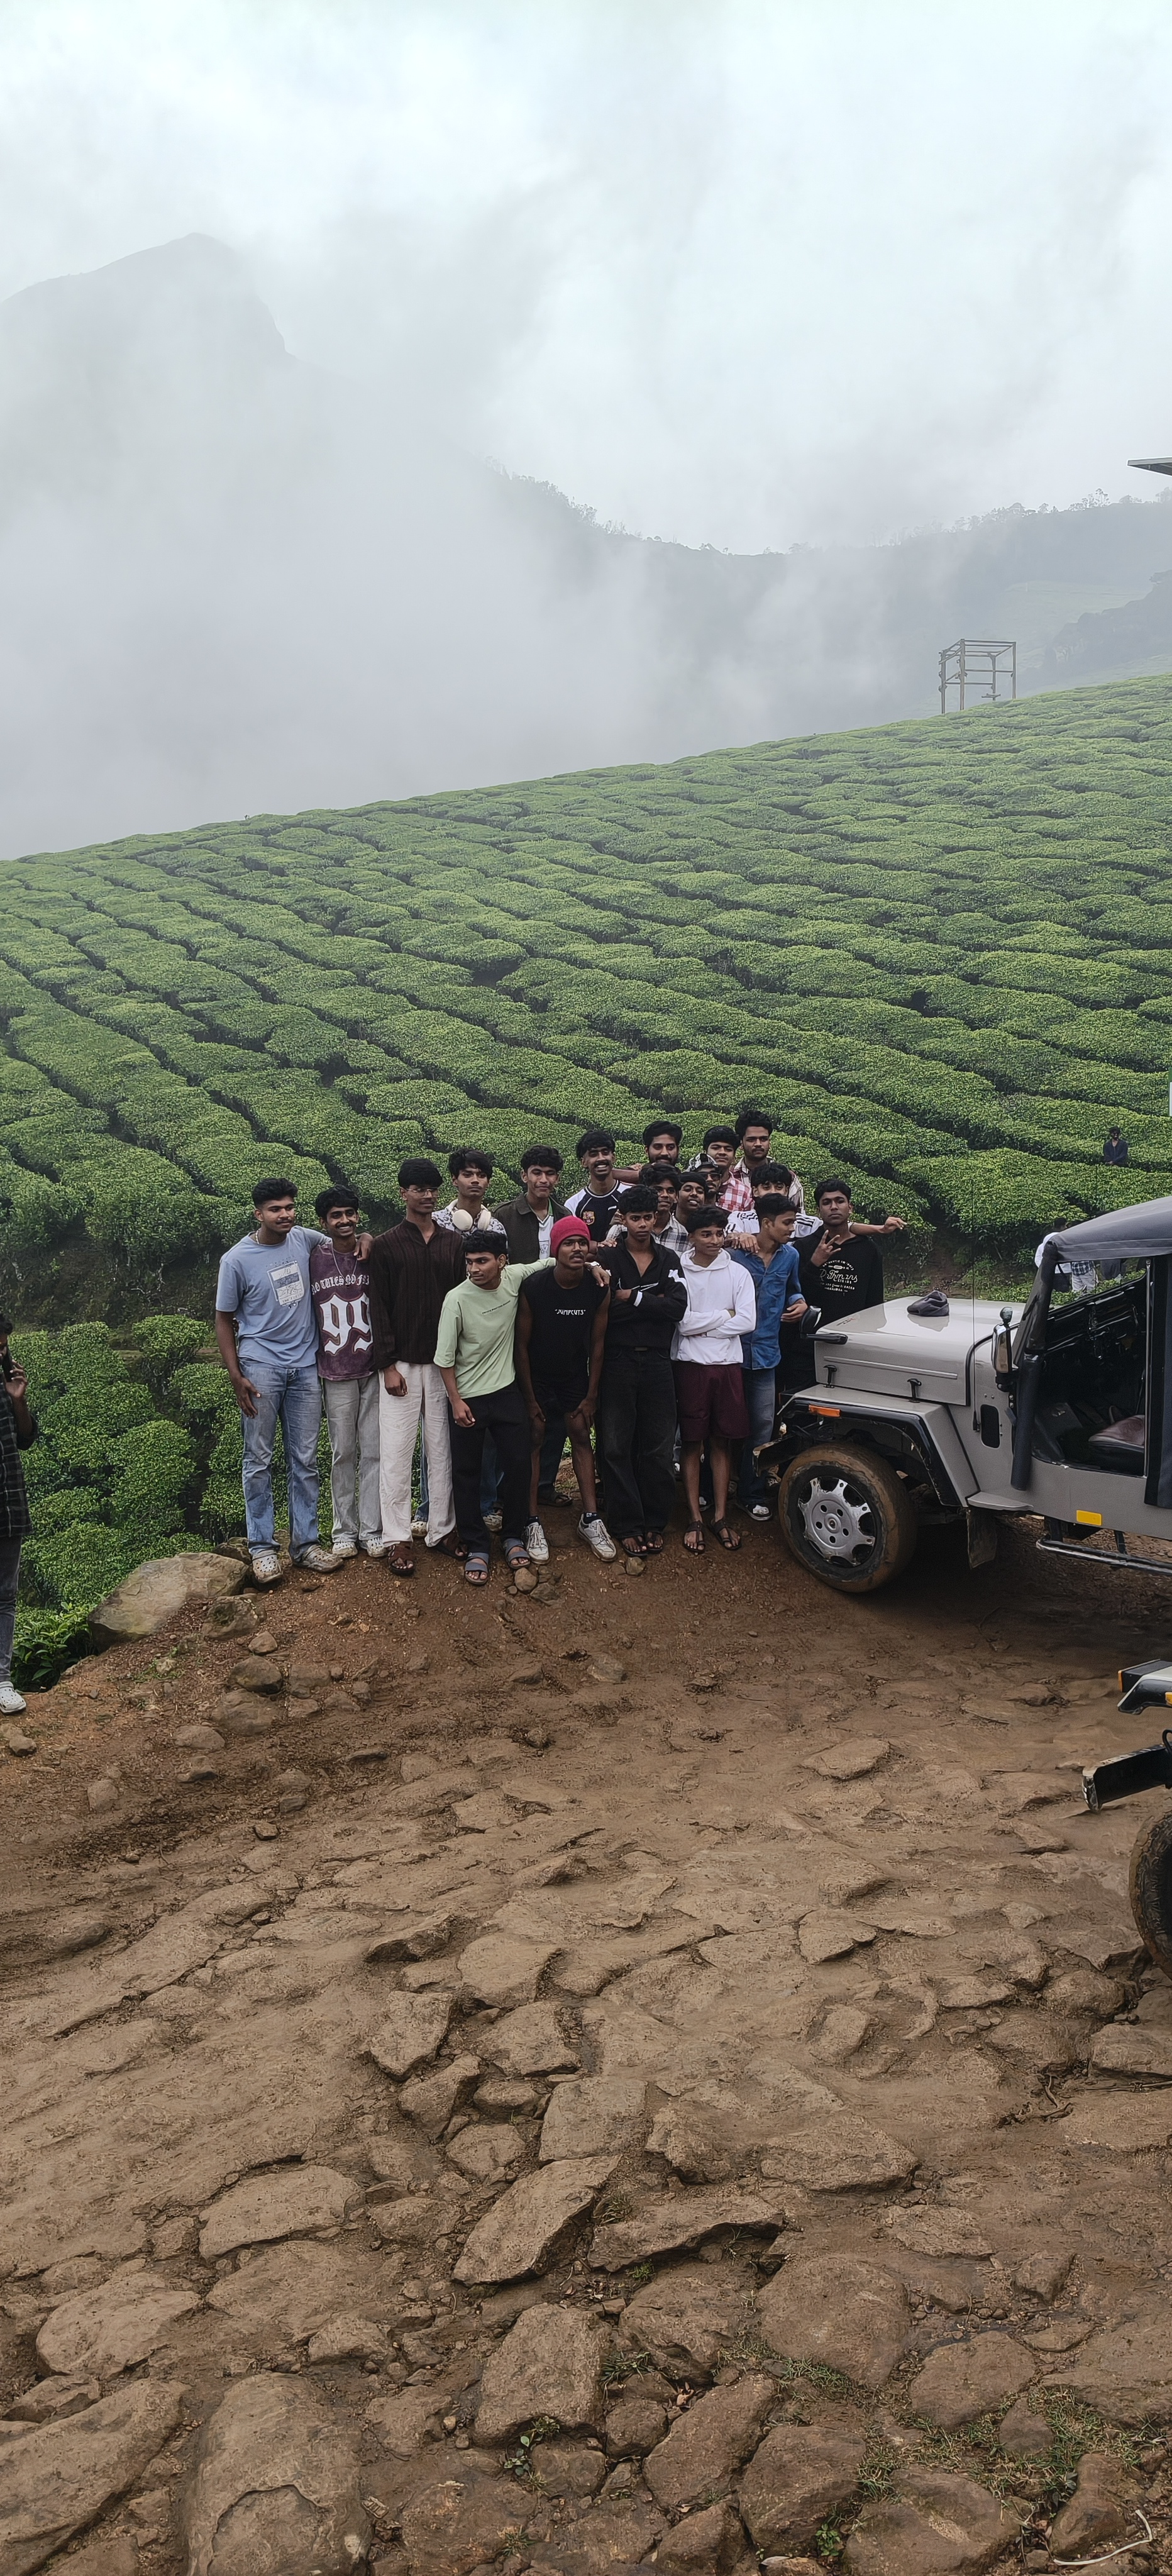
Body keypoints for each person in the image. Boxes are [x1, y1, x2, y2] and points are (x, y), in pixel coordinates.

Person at [215, 1179, 347, 1582]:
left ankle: (305, 1545)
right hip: (260, 1366)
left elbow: (343, 1240)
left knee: (305, 1459)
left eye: (289, 1207)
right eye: (275, 1209)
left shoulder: (304, 1239)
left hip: (305, 1365)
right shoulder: (236, 1260)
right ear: (258, 1214)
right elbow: (223, 1319)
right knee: (258, 1459)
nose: (285, 1215)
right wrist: (236, 1374)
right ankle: (262, 1549)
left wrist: (366, 1239)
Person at [367, 1158, 469, 1577]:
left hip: (444, 1365)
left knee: (441, 1450)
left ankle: (442, 1529)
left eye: (432, 1189)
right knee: (396, 1453)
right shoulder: (387, 1245)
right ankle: (397, 1537)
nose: (427, 1196)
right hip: (402, 1365)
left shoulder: (453, 1244)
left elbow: (463, 1302)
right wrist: (388, 1366)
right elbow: (378, 1307)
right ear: (403, 1194)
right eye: (418, 1189)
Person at [434, 1233, 551, 1584]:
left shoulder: (513, 1278)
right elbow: (444, 1359)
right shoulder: (456, 1299)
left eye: (482, 1261)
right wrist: (456, 1401)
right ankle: (477, 1544)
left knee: (518, 1466)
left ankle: (513, 1535)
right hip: (468, 1397)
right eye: (469, 1262)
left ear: (501, 1261)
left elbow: (548, 1262)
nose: (474, 1269)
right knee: (467, 1472)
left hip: (506, 1392)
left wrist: (592, 1265)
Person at [516, 1216, 617, 1563]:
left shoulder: (598, 1287)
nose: (576, 1248)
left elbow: (598, 1345)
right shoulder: (535, 1287)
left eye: (582, 1242)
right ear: (556, 1249)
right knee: (535, 1437)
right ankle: (531, 1520)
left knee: (580, 1433)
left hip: (574, 1375)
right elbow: (521, 1347)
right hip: (538, 1376)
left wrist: (592, 1395)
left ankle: (590, 1518)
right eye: (569, 1243)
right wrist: (530, 1398)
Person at [597, 1185, 687, 1559]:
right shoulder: (608, 1258)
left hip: (657, 1362)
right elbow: (605, 1310)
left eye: (648, 1217)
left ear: (656, 1218)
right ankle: (626, 1524)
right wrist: (654, 1301)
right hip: (616, 1360)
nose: (642, 1225)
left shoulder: (669, 1259)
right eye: (634, 1218)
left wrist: (631, 1297)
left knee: (658, 1446)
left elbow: (678, 1308)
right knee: (615, 1445)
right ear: (623, 1219)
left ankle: (655, 1520)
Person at [672, 1203, 756, 1555]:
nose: (715, 1240)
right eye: (706, 1234)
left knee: (721, 1443)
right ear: (691, 1237)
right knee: (692, 1443)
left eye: (720, 1233)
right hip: (690, 1365)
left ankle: (720, 1516)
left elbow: (748, 1321)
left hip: (727, 1367)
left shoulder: (738, 1273)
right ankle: (694, 1517)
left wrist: (703, 1326)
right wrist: (724, 1315)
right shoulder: (679, 1271)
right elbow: (682, 1322)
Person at [310, 1186, 384, 1560]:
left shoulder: (372, 1254)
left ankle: (372, 1529)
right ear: (323, 1222)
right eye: (336, 1216)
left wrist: (369, 1238)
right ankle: (344, 1530)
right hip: (335, 1371)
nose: (344, 1221)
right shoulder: (313, 1258)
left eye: (350, 1214)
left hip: (372, 1367)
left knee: (374, 1451)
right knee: (343, 1453)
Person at [731, 1196, 807, 1518]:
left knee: (763, 1427)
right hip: (731, 1353)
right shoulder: (735, 1255)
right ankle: (712, 1488)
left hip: (766, 1354)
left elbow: (793, 1288)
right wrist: (732, 1236)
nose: (792, 1229)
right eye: (787, 1223)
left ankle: (751, 1492)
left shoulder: (791, 1256)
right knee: (723, 1426)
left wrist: (799, 1301)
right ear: (766, 1223)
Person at [797, 1180, 905, 1327]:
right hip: (813, 1335)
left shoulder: (868, 1249)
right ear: (819, 1211)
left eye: (840, 1201)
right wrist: (814, 1264)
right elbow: (797, 1294)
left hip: (854, 1333)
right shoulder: (804, 1247)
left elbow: (874, 1297)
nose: (834, 1207)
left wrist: (875, 1326)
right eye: (827, 1203)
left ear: (850, 1208)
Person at [0, 1315, 36, 1716]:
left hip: (8, 1502)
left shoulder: (6, 1383)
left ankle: (3, 1680)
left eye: (2, 1346)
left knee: (6, 1595)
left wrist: (18, 1399)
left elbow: (26, 1438)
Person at [494, 1146, 570, 1260]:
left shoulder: (564, 1217)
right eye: (537, 1173)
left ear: (557, 1179)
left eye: (550, 1174)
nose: (544, 1180)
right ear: (524, 1176)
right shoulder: (504, 1215)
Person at [566, 1131, 626, 1242]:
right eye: (593, 1154)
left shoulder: (631, 1194)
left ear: (613, 1157)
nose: (601, 1158)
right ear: (584, 1162)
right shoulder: (573, 1205)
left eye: (605, 1153)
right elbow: (574, 1244)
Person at [436, 1149, 506, 1236]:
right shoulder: (436, 1223)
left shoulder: (496, 1228)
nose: (475, 1180)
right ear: (455, 1180)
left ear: (488, 1182)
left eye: (482, 1176)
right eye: (467, 1175)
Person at [616, 1120, 685, 1184]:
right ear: (647, 1150)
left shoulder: (686, 1183)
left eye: (670, 1147)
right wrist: (643, 1174)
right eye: (658, 1147)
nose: (664, 1153)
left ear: (678, 1150)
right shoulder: (629, 1182)